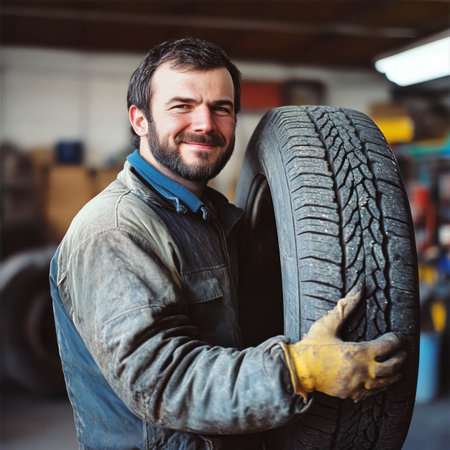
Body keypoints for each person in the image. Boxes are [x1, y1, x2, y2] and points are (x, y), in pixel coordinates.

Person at [50, 38, 407, 449]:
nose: (205, 124)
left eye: (221, 108)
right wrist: (299, 372)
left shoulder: (216, 218)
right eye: (182, 106)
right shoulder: (114, 230)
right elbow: (162, 383)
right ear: (140, 120)